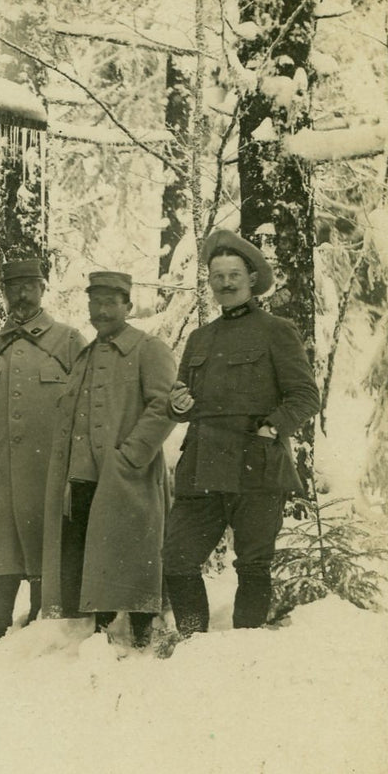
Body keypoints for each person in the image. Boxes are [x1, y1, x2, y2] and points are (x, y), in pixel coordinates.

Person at [161, 230, 321, 636]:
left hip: (256, 462)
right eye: (218, 276)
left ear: (251, 280)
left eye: (234, 275)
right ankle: (193, 639)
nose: (226, 284)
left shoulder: (276, 330)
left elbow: (304, 396)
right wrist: (178, 406)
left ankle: (245, 650)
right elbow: (183, 401)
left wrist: (272, 428)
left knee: (253, 565)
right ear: (209, 282)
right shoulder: (200, 338)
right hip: (203, 466)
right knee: (176, 559)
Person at [39, 272, 178, 647]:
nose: (100, 311)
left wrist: (131, 456)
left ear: (128, 306)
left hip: (128, 473)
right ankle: (102, 640)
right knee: (93, 554)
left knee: (137, 551)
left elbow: (165, 405)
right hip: (85, 474)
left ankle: (143, 635)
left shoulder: (148, 349)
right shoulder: (86, 354)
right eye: (94, 302)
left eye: (110, 303)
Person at [0, 258, 86, 656]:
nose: (21, 295)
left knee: (43, 541)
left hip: (48, 465)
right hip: (0, 467)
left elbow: (87, 401)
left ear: (43, 288)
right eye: (13, 287)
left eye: (29, 285)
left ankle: (39, 620)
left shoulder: (68, 340)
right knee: (2, 545)